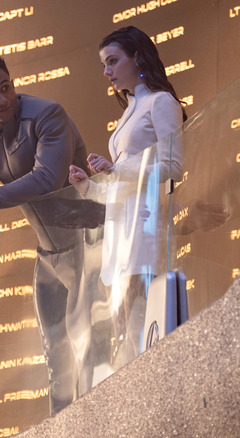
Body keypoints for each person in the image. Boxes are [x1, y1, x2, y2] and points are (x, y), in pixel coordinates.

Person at [0, 54, 95, 415]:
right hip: (47, 254)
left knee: (90, 348)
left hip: (87, 242)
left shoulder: (48, 114)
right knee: (55, 358)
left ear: (12, 82)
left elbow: (47, 180)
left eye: (5, 87)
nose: (2, 99)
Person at [68, 26, 185, 371]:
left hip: (145, 229)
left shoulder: (160, 102)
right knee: (125, 331)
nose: (107, 72)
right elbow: (124, 181)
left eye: (113, 61)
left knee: (145, 326)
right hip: (119, 235)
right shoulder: (130, 109)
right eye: (104, 64)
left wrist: (117, 170)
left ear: (137, 56)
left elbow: (173, 166)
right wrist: (90, 188)